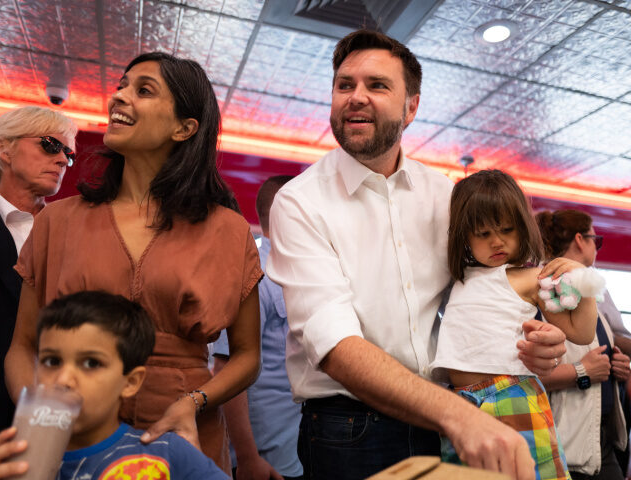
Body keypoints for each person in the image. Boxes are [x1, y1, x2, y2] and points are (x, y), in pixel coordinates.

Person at [266, 29, 567, 480]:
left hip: (450, 414)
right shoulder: (299, 202)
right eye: (344, 85)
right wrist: (457, 414)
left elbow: (482, 292)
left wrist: (538, 342)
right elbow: (333, 344)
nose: (356, 97)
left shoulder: (444, 194)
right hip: (351, 429)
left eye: (377, 85)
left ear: (411, 107)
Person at [4, 52, 262, 473]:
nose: (119, 97)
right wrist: (42, 419)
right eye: (121, 86)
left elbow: (247, 355)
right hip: (70, 435)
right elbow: (22, 347)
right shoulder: (57, 220)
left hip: (181, 430)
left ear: (185, 127)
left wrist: (194, 403)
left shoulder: (229, 230)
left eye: (143, 90)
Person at [431, 170, 600, 480]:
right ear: (464, 236)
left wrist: (585, 282)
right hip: (459, 402)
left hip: (511, 394)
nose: (497, 241)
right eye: (482, 234)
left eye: (507, 230)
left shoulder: (528, 277)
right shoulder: (458, 277)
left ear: (522, 227)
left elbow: (582, 332)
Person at [0, 291, 229, 480]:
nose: (63, 379)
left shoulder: (167, 455)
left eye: (91, 363)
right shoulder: (14, 461)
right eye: (52, 361)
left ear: (130, 382)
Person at [0, 106, 77, 438]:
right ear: (4, 149)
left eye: (67, 154)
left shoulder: (72, 231)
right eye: (50, 145)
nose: (62, 160)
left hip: (57, 416)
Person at [214, 175, 303, 480]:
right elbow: (226, 370)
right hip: (262, 458)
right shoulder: (254, 274)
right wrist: (249, 458)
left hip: (294, 447)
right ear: (288, 213)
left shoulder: (296, 274)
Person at [536, 209, 630, 480]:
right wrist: (582, 371)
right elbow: (521, 374)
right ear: (580, 240)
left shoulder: (589, 288)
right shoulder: (547, 287)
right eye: (595, 240)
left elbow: (597, 348)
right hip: (564, 446)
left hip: (600, 441)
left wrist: (616, 366)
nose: (596, 249)